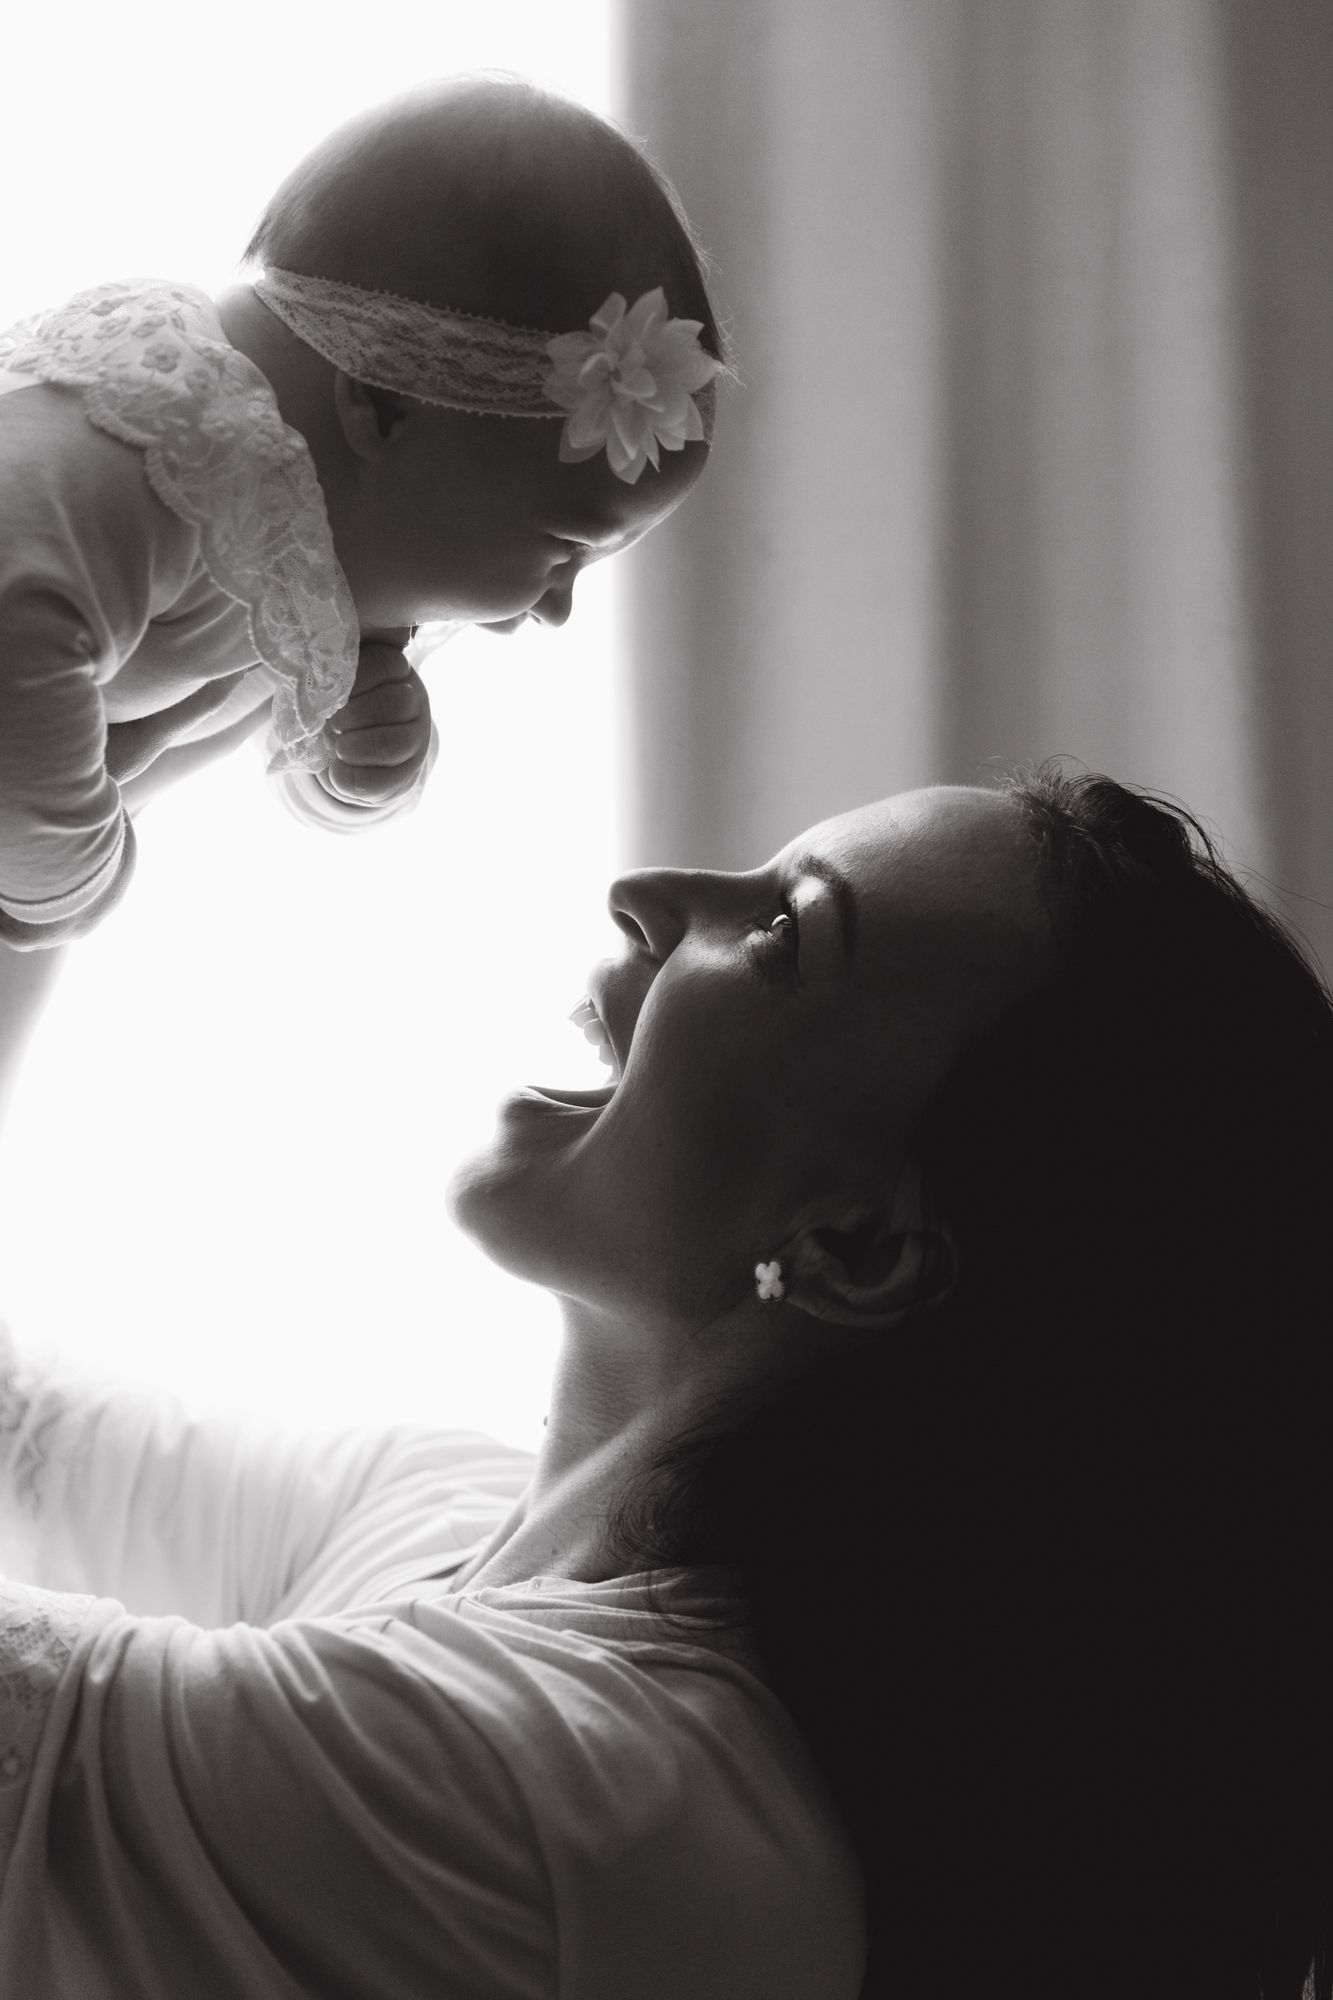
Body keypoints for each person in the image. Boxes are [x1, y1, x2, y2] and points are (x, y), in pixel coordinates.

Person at [2, 764, 1331, 1998]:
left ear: (856, 1245)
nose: (643, 898)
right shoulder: (453, 1526)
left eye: (781, 933)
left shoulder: (572, 1793)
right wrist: (68, 769)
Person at [0, 72, 722, 958]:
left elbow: (247, 709)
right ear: (379, 410)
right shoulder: (150, 443)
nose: (555, 605)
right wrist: (73, 876)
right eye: (565, 548)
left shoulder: (293, 533)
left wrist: (343, 761)